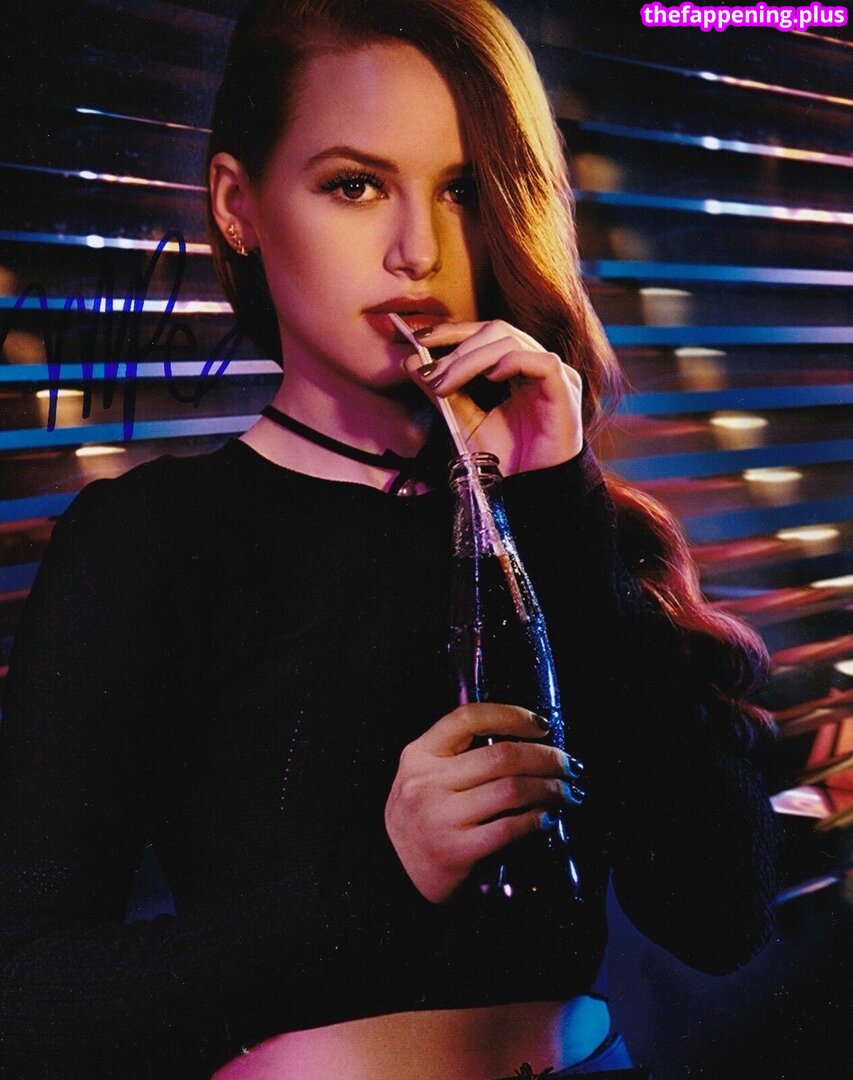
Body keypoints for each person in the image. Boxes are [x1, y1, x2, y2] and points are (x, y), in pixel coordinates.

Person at [0, 2, 778, 1077]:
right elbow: (29, 997)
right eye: (355, 185)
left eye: (462, 191)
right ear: (237, 204)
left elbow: (719, 917)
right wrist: (380, 880)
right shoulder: (154, 541)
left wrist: (558, 501)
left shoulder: (558, 517)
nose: (419, 253)